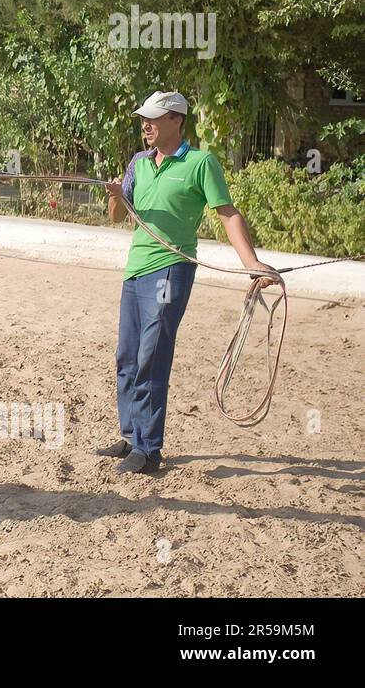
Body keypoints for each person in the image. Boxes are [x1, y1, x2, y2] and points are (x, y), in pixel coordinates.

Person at [97, 91, 277, 474]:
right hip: (135, 271)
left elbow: (227, 214)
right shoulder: (138, 163)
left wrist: (252, 264)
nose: (145, 124)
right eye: (143, 118)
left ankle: (148, 450)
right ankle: (130, 436)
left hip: (170, 270)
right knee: (127, 356)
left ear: (177, 120)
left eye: (154, 118)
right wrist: (115, 197)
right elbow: (118, 216)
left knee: (152, 353)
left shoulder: (200, 163)